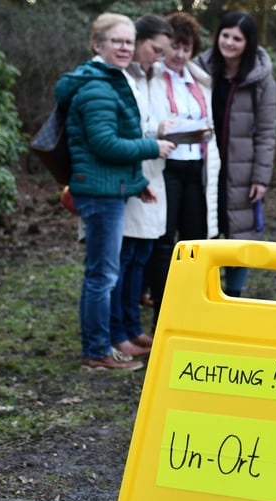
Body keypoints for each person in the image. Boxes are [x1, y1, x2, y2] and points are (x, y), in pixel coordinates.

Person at [56, 12, 176, 371]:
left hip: (111, 188)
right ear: (98, 45)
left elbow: (108, 151)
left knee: (104, 272)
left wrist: (139, 186)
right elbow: (106, 145)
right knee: (102, 275)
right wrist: (152, 147)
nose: (124, 47)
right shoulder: (97, 86)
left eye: (128, 41)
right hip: (99, 194)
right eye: (116, 41)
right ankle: (96, 352)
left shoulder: (110, 80)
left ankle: (104, 345)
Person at [145, 11, 221, 326]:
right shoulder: (150, 77)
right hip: (165, 166)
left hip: (197, 168)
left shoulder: (200, 80)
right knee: (163, 243)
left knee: (195, 240)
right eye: (174, 46)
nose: (179, 55)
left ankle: (194, 312)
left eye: (186, 48)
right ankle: (163, 314)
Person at [194, 11, 276, 298]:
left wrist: (261, 177)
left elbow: (267, 131)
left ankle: (233, 293)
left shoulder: (261, 78)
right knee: (204, 229)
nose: (228, 42)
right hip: (202, 164)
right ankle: (205, 292)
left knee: (239, 232)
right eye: (225, 35)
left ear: (248, 42)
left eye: (237, 38)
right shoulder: (199, 69)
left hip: (241, 167)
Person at [109, 14, 174, 360]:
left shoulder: (154, 77)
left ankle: (132, 326)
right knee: (122, 257)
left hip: (151, 171)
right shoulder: (120, 78)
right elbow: (124, 132)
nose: (158, 57)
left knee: (139, 255)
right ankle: (116, 330)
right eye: (155, 49)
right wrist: (155, 137)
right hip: (127, 174)